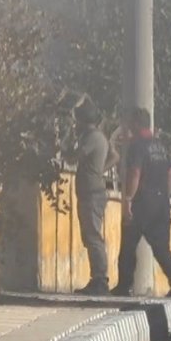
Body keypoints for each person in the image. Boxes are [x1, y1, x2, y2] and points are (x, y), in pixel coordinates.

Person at [111, 107, 171, 298]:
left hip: (141, 204)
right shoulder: (159, 145)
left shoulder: (137, 146)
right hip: (160, 204)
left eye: (129, 122)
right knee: (161, 248)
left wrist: (128, 200)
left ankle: (124, 286)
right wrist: (164, 194)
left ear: (136, 124)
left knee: (128, 246)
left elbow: (135, 173)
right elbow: (170, 173)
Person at [63, 99, 118, 295]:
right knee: (90, 235)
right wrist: (100, 169)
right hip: (92, 190)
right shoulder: (100, 137)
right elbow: (115, 156)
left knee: (93, 235)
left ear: (83, 120)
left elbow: (72, 157)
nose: (75, 124)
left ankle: (100, 280)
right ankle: (97, 278)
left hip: (91, 193)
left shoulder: (91, 137)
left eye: (77, 120)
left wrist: (67, 139)